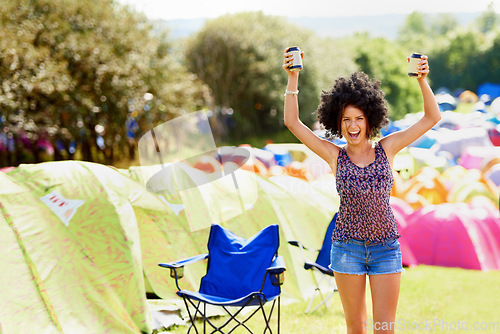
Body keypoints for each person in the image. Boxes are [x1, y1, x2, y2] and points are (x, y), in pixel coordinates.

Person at [282, 50, 440, 333]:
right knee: (356, 328)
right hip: (347, 249)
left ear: (370, 119)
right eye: (346, 120)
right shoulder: (334, 155)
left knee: (384, 328)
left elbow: (431, 117)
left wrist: (422, 80)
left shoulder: (387, 149)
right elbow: (293, 124)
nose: (353, 126)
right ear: (337, 123)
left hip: (385, 248)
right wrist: (293, 78)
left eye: (358, 119)